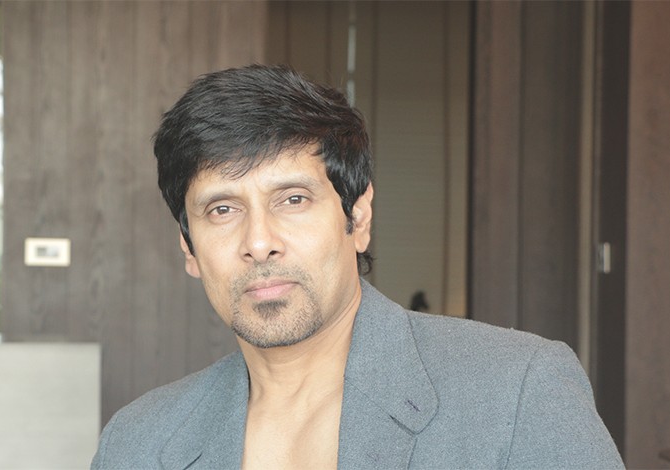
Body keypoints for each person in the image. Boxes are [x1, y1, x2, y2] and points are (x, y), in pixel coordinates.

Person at [92, 64, 623, 469]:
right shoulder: (137, 442)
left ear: (358, 216)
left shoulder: (519, 390)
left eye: (293, 199)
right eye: (222, 210)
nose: (259, 242)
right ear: (189, 248)